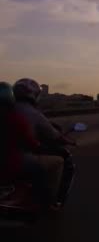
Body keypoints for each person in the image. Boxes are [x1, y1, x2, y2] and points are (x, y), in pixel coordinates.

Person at [13, 78, 74, 206]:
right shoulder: (33, 113)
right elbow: (53, 135)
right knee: (60, 160)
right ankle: (52, 201)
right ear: (34, 95)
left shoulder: (7, 109)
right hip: (19, 156)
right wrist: (68, 141)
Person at [0, 81, 60, 211]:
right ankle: (48, 202)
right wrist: (40, 146)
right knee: (51, 165)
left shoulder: (16, 113)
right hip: (13, 160)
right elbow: (32, 141)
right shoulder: (17, 118)